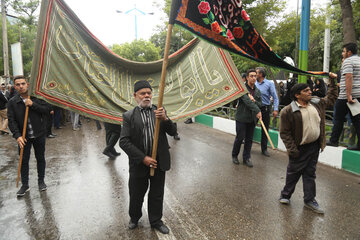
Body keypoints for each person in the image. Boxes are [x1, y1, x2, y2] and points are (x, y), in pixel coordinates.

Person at [120, 80, 177, 234]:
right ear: (135, 96)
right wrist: (143, 158)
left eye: (149, 93)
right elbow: (124, 142)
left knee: (157, 193)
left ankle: (156, 221)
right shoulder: (129, 116)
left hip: (159, 162)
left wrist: (165, 118)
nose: (146, 96)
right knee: (136, 193)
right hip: (140, 164)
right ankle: (134, 217)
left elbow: (173, 131)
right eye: (142, 93)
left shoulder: (159, 111)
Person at [278, 72, 338, 214]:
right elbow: (284, 133)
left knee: (310, 174)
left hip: (314, 147)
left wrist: (333, 82)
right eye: (306, 91)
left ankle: (309, 200)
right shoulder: (288, 111)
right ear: (297, 95)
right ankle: (285, 195)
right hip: (298, 148)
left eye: (309, 90)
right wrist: (293, 150)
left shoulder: (317, 103)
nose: (310, 91)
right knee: (293, 173)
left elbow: (331, 98)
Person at [7, 75, 49, 197]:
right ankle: (25, 185)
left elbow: (47, 109)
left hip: (39, 134)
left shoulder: (36, 97)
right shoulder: (12, 102)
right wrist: (17, 136)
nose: (21, 86)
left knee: (40, 158)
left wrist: (32, 104)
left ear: (27, 84)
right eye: (18, 84)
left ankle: (41, 181)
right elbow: (11, 120)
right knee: (23, 160)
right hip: (23, 137)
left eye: (23, 84)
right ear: (15, 86)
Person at [327, 43, 360, 150]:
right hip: (358, 95)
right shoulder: (359, 60)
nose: (342, 53)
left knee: (338, 119)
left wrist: (349, 95)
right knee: (357, 120)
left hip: (346, 97)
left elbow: (349, 77)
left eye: (343, 51)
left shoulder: (348, 61)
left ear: (349, 52)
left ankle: (334, 141)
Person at [232, 69, 262, 167]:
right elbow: (247, 101)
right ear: (247, 77)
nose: (254, 78)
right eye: (251, 76)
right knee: (240, 138)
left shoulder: (257, 91)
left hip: (252, 119)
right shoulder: (243, 89)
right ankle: (234, 155)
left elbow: (260, 103)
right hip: (242, 117)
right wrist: (257, 110)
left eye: (255, 76)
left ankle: (246, 158)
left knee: (249, 139)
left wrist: (255, 102)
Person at [255, 67, 279, 157]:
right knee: (250, 127)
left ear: (261, 74)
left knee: (265, 130)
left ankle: (264, 149)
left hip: (265, 109)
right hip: (255, 109)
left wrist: (275, 109)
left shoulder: (269, 84)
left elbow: (275, 97)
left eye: (256, 73)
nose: (254, 75)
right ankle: (247, 146)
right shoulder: (254, 83)